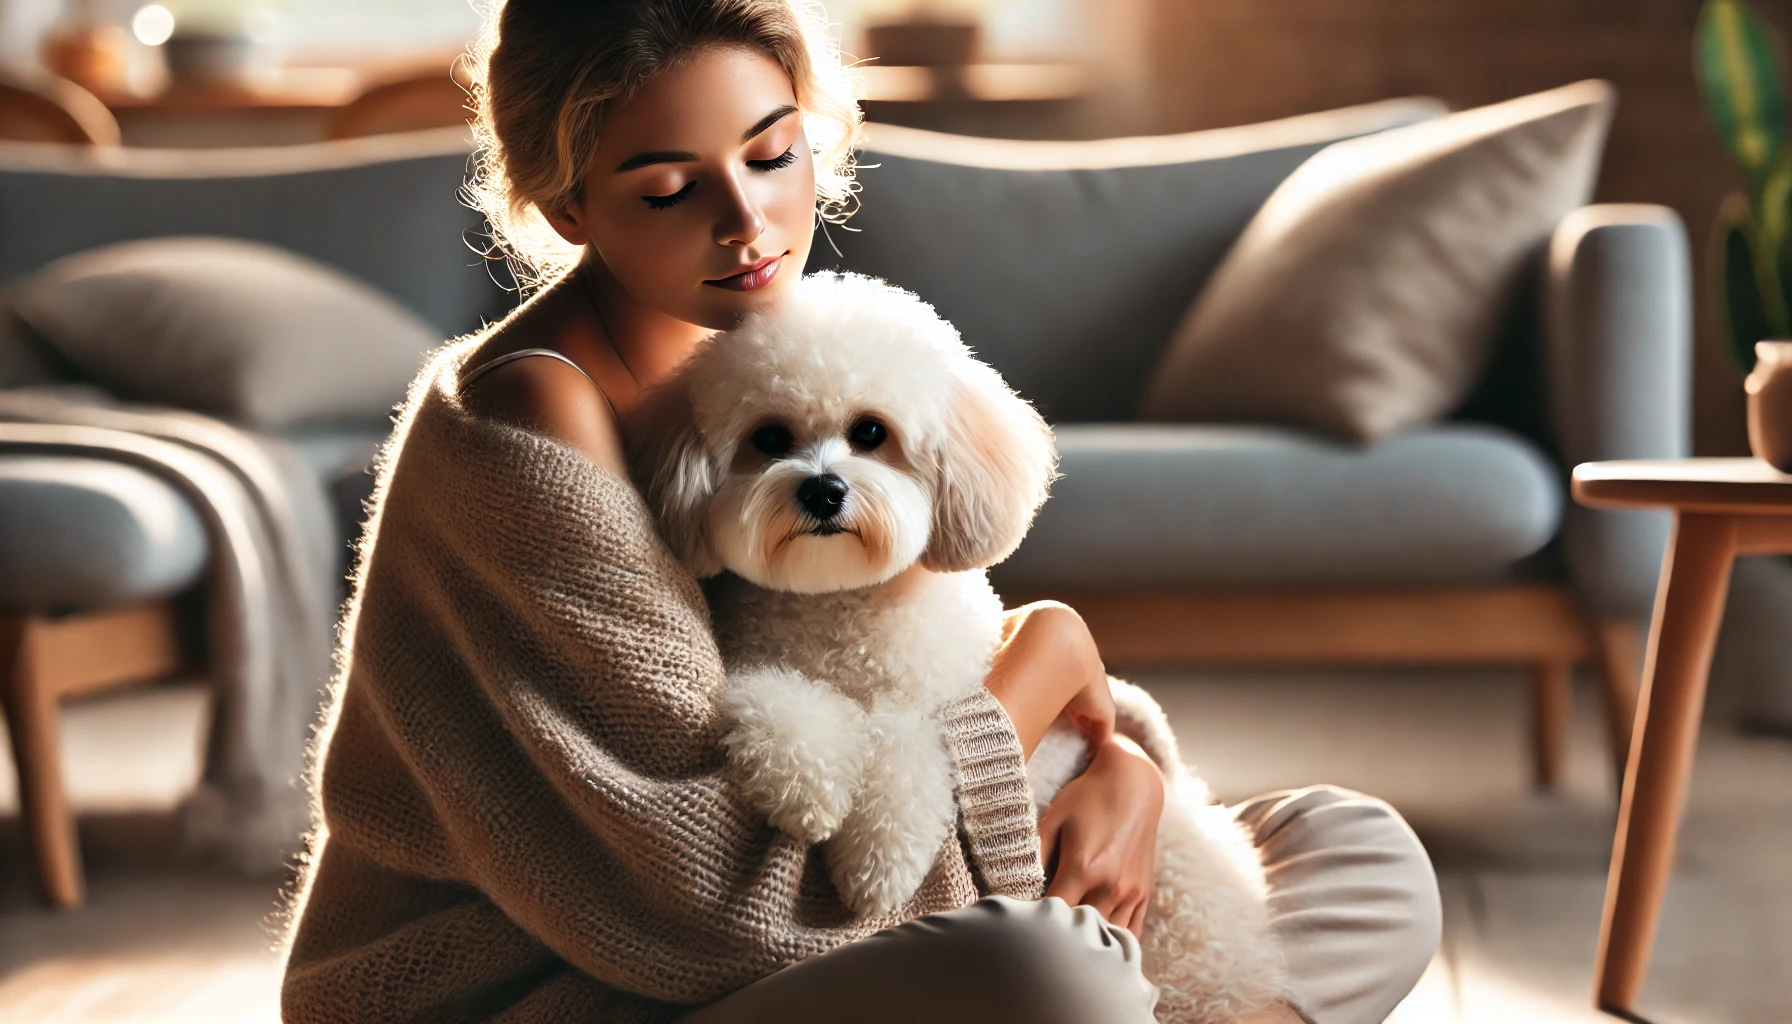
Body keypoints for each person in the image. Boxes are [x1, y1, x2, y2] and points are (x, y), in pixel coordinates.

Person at [281, 3, 1441, 1023]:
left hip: (840, 895)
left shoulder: (752, 352)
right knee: (1054, 978)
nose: (749, 222)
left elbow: (905, 659)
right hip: (572, 989)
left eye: (773, 153)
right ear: (566, 204)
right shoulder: (532, 420)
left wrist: (1123, 769)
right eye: (671, 188)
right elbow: (716, 904)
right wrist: (1051, 654)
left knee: (1358, 851)